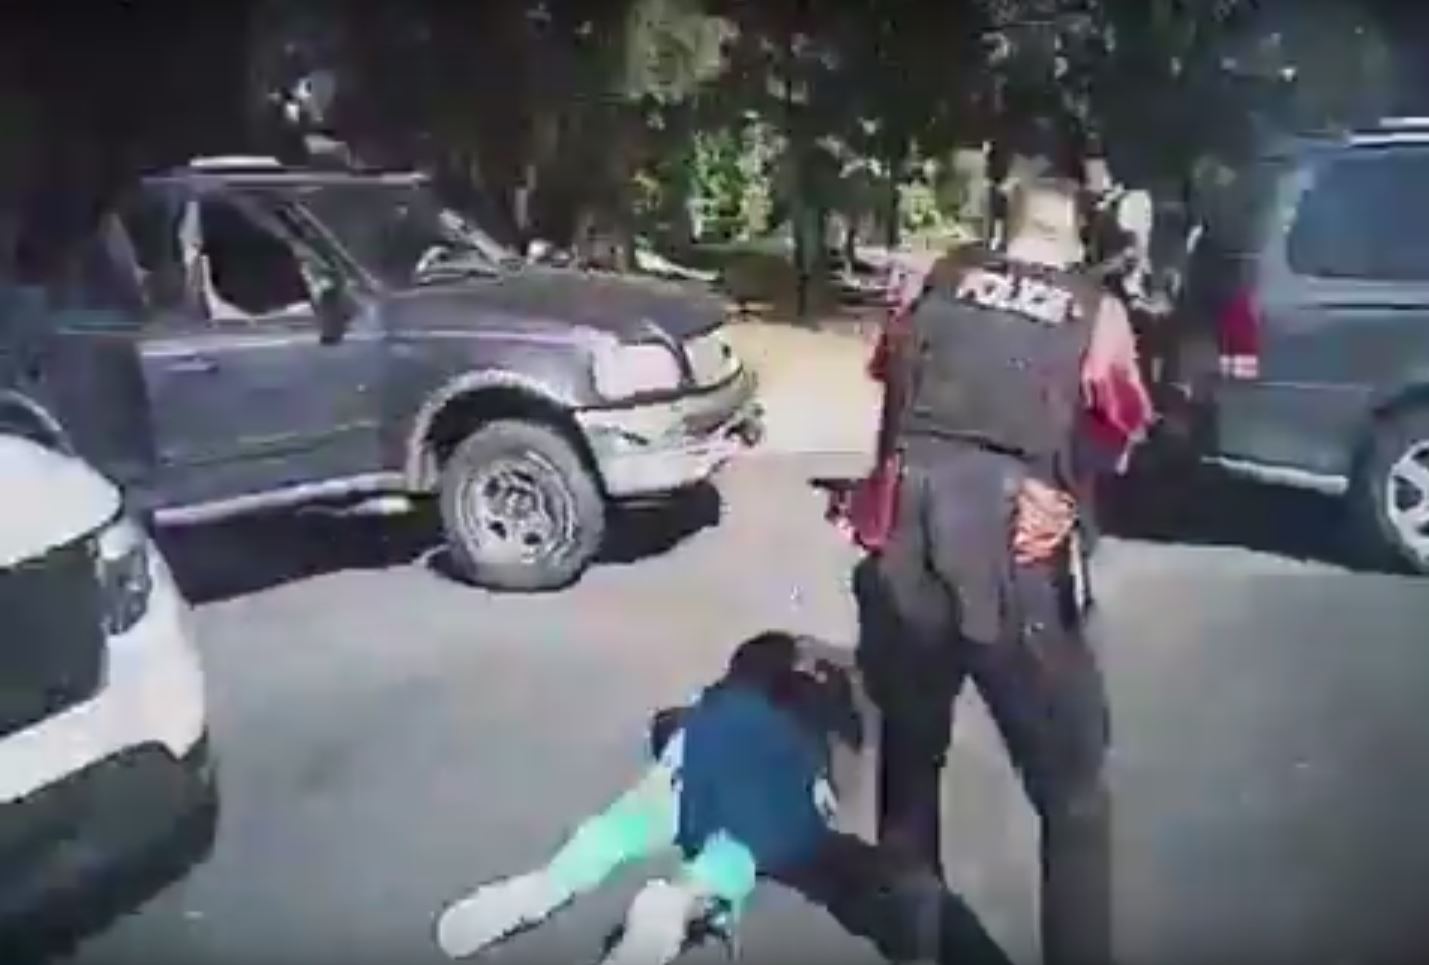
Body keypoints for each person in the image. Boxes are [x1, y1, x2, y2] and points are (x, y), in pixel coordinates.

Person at [841, 177, 1153, 965]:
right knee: (1074, 796)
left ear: (1001, 229)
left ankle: (911, 943)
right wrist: (1070, 488)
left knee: (911, 757)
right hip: (1013, 551)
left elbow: (890, 380)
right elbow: (1121, 423)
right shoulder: (1093, 310)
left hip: (906, 539)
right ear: (1073, 240)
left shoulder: (930, 283)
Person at [434, 631, 1013, 965]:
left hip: (706, 743)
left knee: (617, 828)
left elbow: (696, 716)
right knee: (733, 854)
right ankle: (683, 901)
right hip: (785, 768)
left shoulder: (764, 661)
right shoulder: (859, 697)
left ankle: (537, 892)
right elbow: (848, 782)